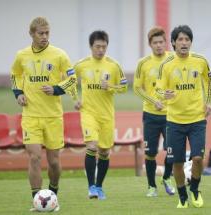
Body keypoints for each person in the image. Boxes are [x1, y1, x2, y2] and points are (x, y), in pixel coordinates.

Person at [11, 17, 77, 211]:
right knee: (34, 158)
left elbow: (73, 80)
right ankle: (37, 201)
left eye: (47, 32)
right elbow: (15, 74)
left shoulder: (59, 55)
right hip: (31, 116)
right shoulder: (21, 55)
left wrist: (57, 89)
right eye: (41, 33)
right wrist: (19, 93)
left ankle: (53, 195)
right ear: (31, 34)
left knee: (54, 162)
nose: (44, 36)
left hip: (53, 117)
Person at [156, 25, 211, 208]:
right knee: (177, 163)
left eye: (187, 39)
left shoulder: (201, 61)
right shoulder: (166, 65)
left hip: (197, 119)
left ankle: (195, 190)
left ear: (190, 42)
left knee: (198, 159)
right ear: (173, 42)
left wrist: (209, 101)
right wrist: (164, 94)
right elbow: (158, 88)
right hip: (174, 122)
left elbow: (209, 82)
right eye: (180, 39)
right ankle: (182, 197)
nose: (184, 43)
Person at [74, 30, 128, 200]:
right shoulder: (81, 65)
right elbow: (68, 82)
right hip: (88, 113)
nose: (101, 50)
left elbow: (125, 86)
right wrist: (75, 99)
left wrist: (111, 86)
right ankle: (91, 187)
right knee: (91, 147)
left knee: (104, 152)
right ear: (91, 46)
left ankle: (99, 186)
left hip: (107, 115)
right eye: (97, 46)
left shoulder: (113, 65)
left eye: (104, 47)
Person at [133, 26, 175, 197]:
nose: (159, 45)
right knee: (150, 153)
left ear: (166, 43)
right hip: (150, 115)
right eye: (155, 43)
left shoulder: (173, 60)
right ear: (150, 44)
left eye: (161, 42)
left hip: (171, 115)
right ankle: (151, 187)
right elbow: (137, 88)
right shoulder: (142, 63)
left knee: (173, 150)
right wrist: (153, 101)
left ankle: (166, 178)